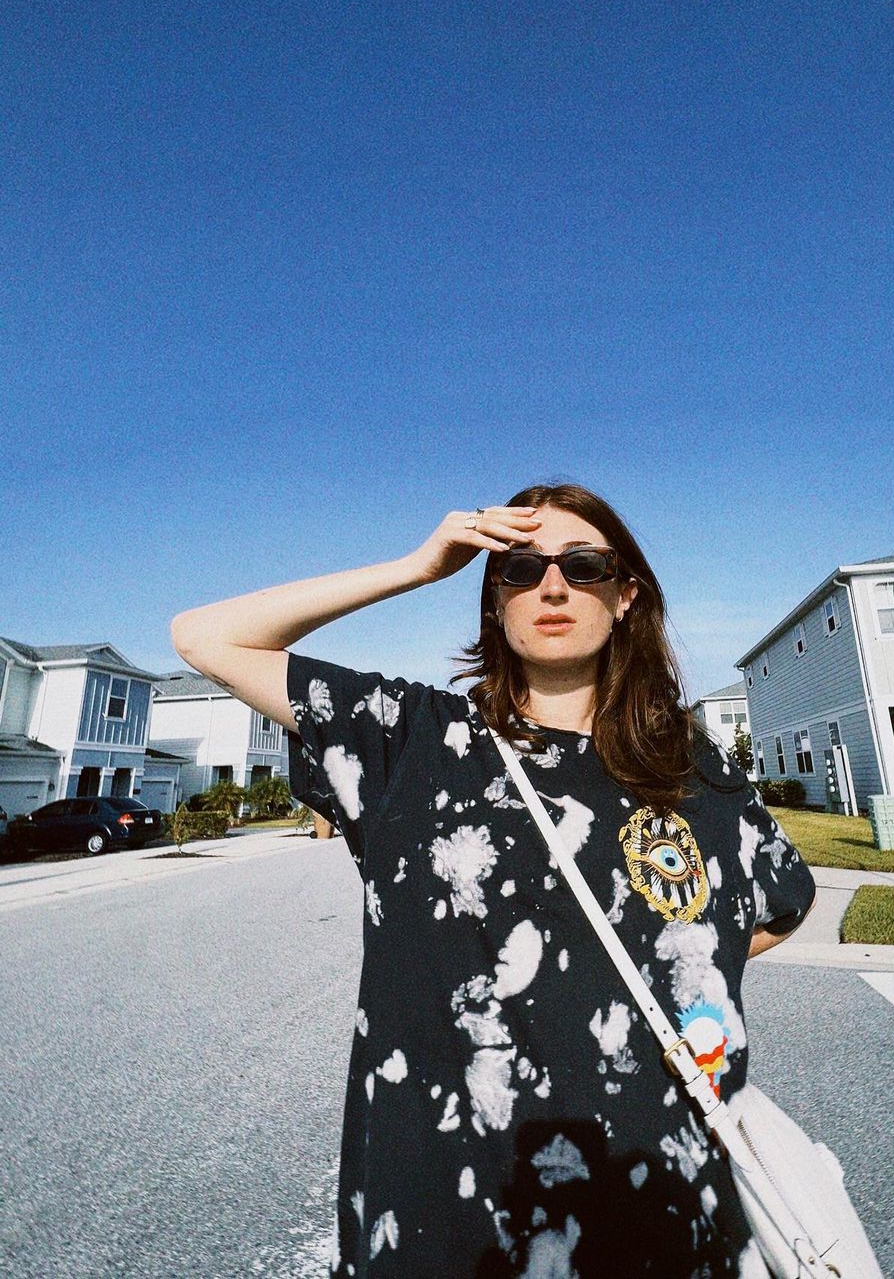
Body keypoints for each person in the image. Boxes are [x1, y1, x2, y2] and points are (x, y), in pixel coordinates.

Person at [170, 484, 817, 1278]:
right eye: (521, 570)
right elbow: (204, 639)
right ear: (495, 603)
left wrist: (652, 969)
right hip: (447, 1219)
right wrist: (418, 566)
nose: (554, 586)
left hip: (666, 1206)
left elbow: (780, 902)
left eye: (584, 565)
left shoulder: (692, 765)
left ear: (626, 596)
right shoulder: (410, 742)